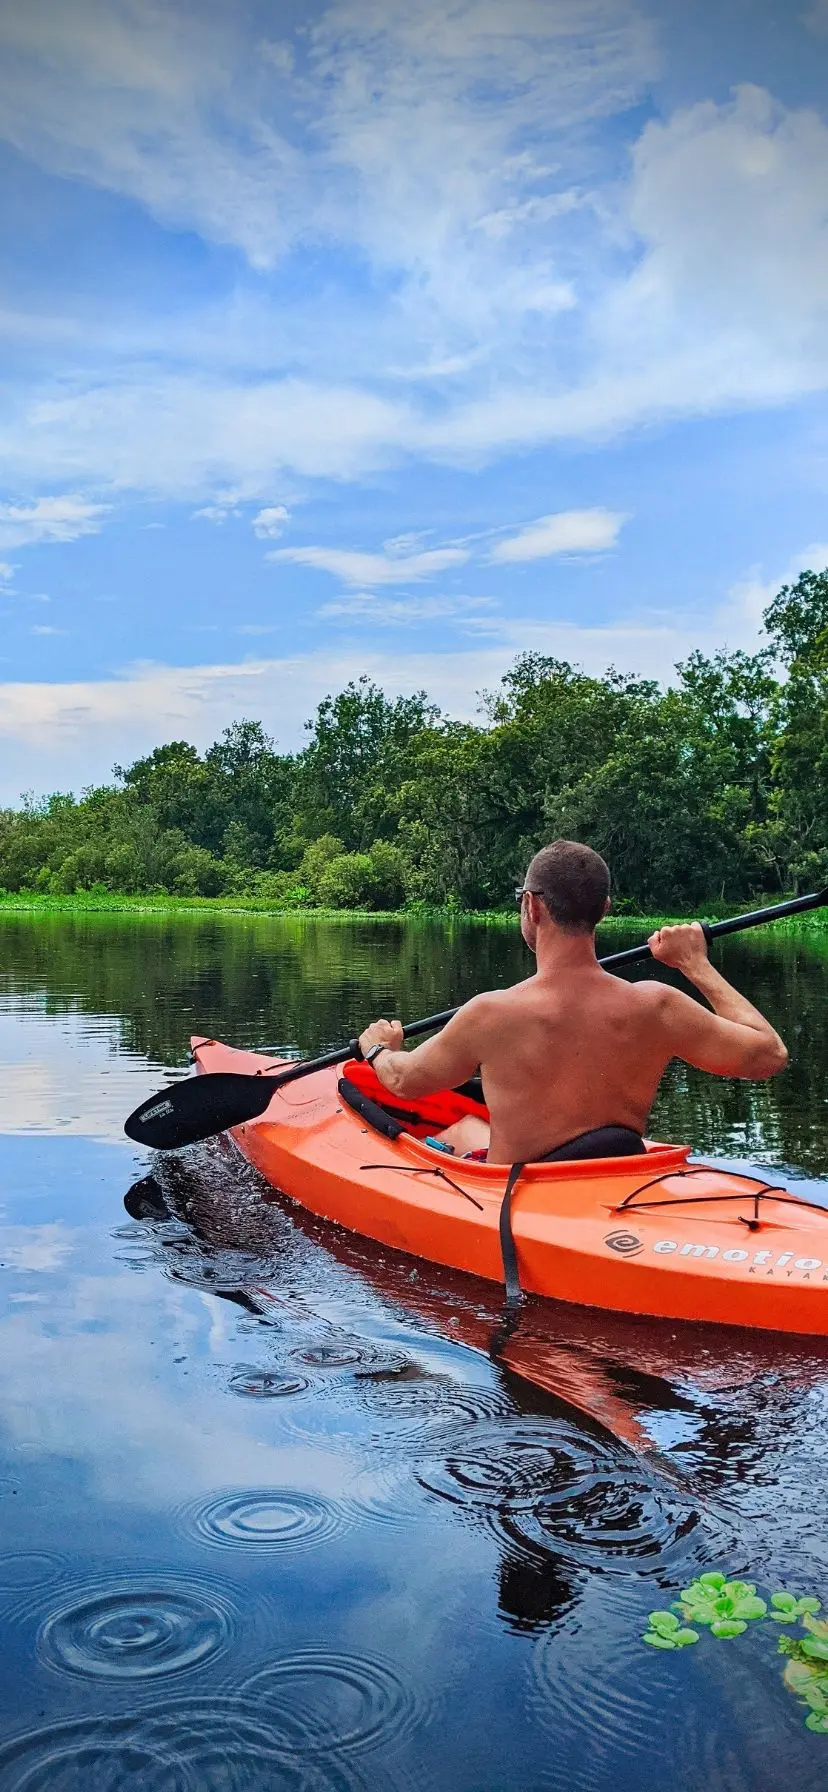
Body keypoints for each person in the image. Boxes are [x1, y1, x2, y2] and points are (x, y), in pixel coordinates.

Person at [357, 840, 788, 1166]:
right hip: (612, 1175)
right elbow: (768, 1055)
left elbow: (403, 1082)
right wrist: (695, 964)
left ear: (532, 905)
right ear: (603, 909)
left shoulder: (491, 1013)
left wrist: (379, 1048)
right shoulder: (657, 1005)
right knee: (468, 1127)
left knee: (453, 1132)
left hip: (523, 1195)